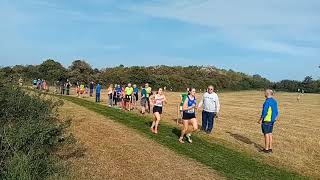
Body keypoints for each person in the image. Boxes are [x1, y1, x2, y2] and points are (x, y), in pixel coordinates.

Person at [258, 89, 279, 153]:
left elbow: (265, 112)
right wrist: (275, 117)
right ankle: (270, 148)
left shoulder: (267, 102)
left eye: (265, 93)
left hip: (266, 120)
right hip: (272, 120)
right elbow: (276, 111)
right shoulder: (274, 101)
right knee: (270, 133)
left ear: (267, 94)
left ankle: (266, 149)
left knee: (266, 134)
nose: (264, 94)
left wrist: (260, 119)